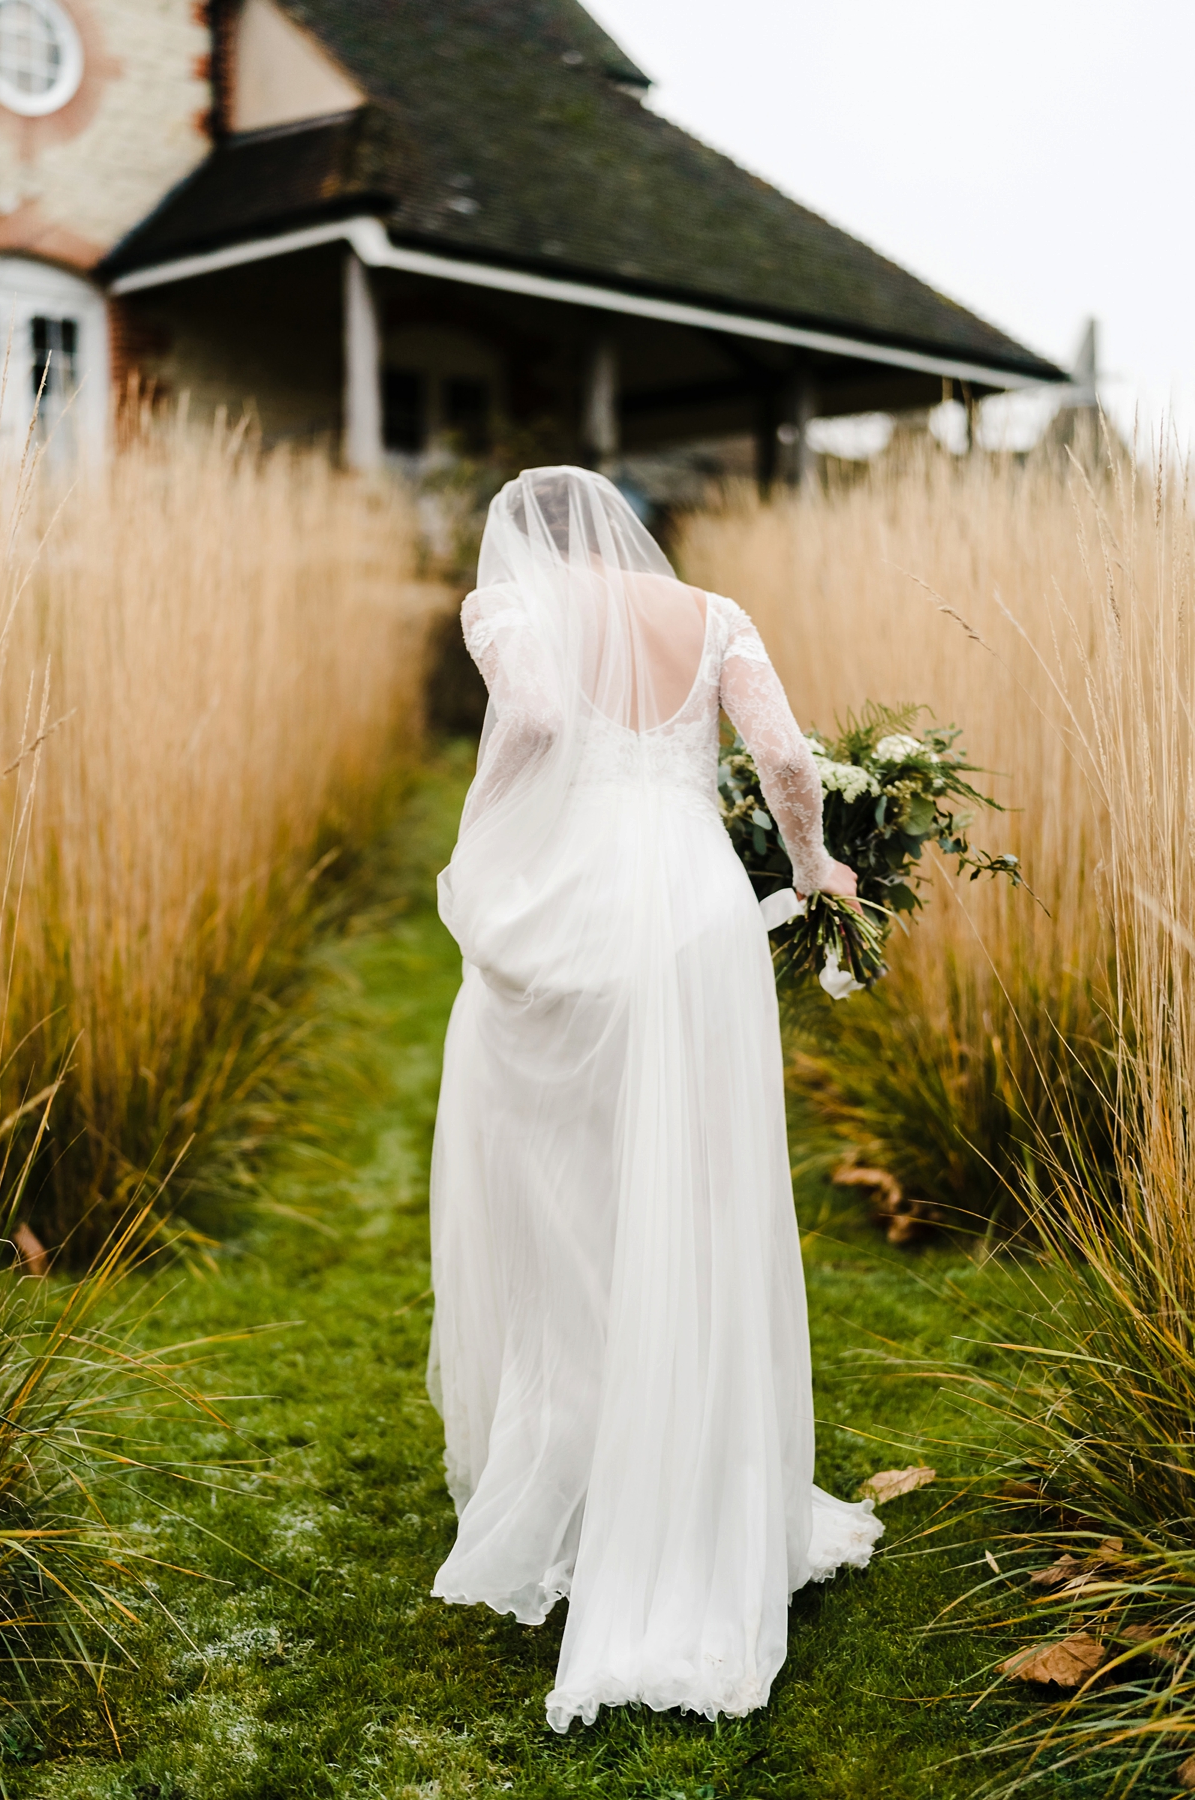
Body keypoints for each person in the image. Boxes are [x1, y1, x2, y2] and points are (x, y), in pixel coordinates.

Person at [428, 466, 881, 1733]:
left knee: (568, 1196)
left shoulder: (508, 612)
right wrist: (810, 865)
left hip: (574, 915)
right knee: (702, 1190)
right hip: (693, 914)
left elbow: (523, 727)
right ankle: (695, 1481)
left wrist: (483, 842)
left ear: (540, 545)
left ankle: (580, 1476)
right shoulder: (717, 614)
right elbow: (787, 758)